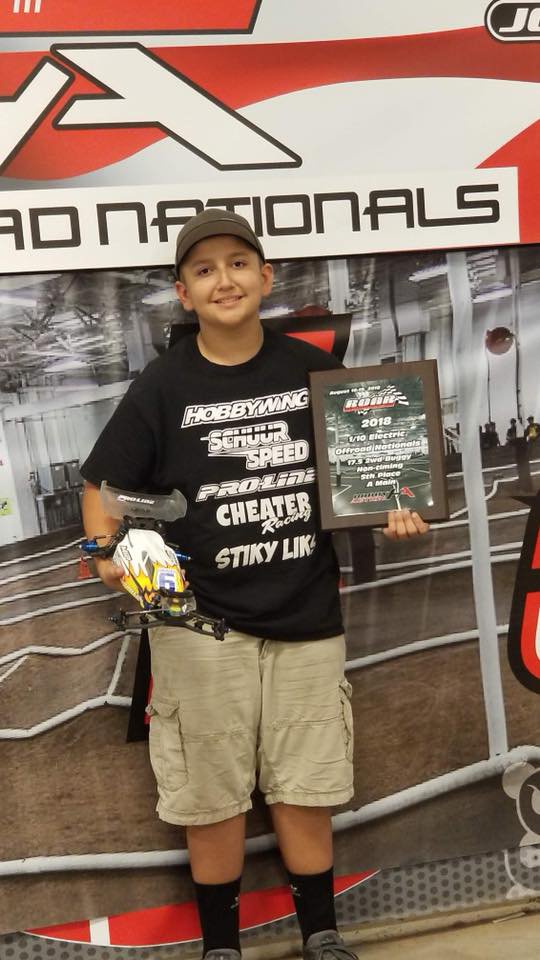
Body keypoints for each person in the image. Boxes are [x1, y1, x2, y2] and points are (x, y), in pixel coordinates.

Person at [81, 209, 429, 960]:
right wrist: (108, 553)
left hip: (307, 616)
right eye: (204, 270)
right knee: (210, 793)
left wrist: (395, 506)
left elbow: (375, 471)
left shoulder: (310, 371)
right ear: (184, 293)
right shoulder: (163, 384)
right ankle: (221, 948)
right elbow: (101, 487)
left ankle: (322, 937)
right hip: (198, 626)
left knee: (307, 785)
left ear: (266, 278)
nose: (224, 280)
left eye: (238, 263)